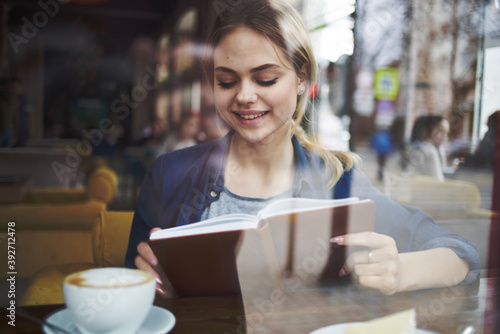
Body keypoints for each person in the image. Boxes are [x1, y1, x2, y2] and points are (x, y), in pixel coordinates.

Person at [126, 0, 479, 298]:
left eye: (266, 79)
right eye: (227, 81)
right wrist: (150, 287)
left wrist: (400, 270)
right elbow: (128, 292)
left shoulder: (339, 182)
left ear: (301, 79)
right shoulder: (169, 175)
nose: (244, 95)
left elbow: (462, 254)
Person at [402, 115, 451, 181]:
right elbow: (439, 181)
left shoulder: (417, 146)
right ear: (426, 130)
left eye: (446, 133)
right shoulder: (429, 150)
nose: (444, 137)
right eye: (440, 131)